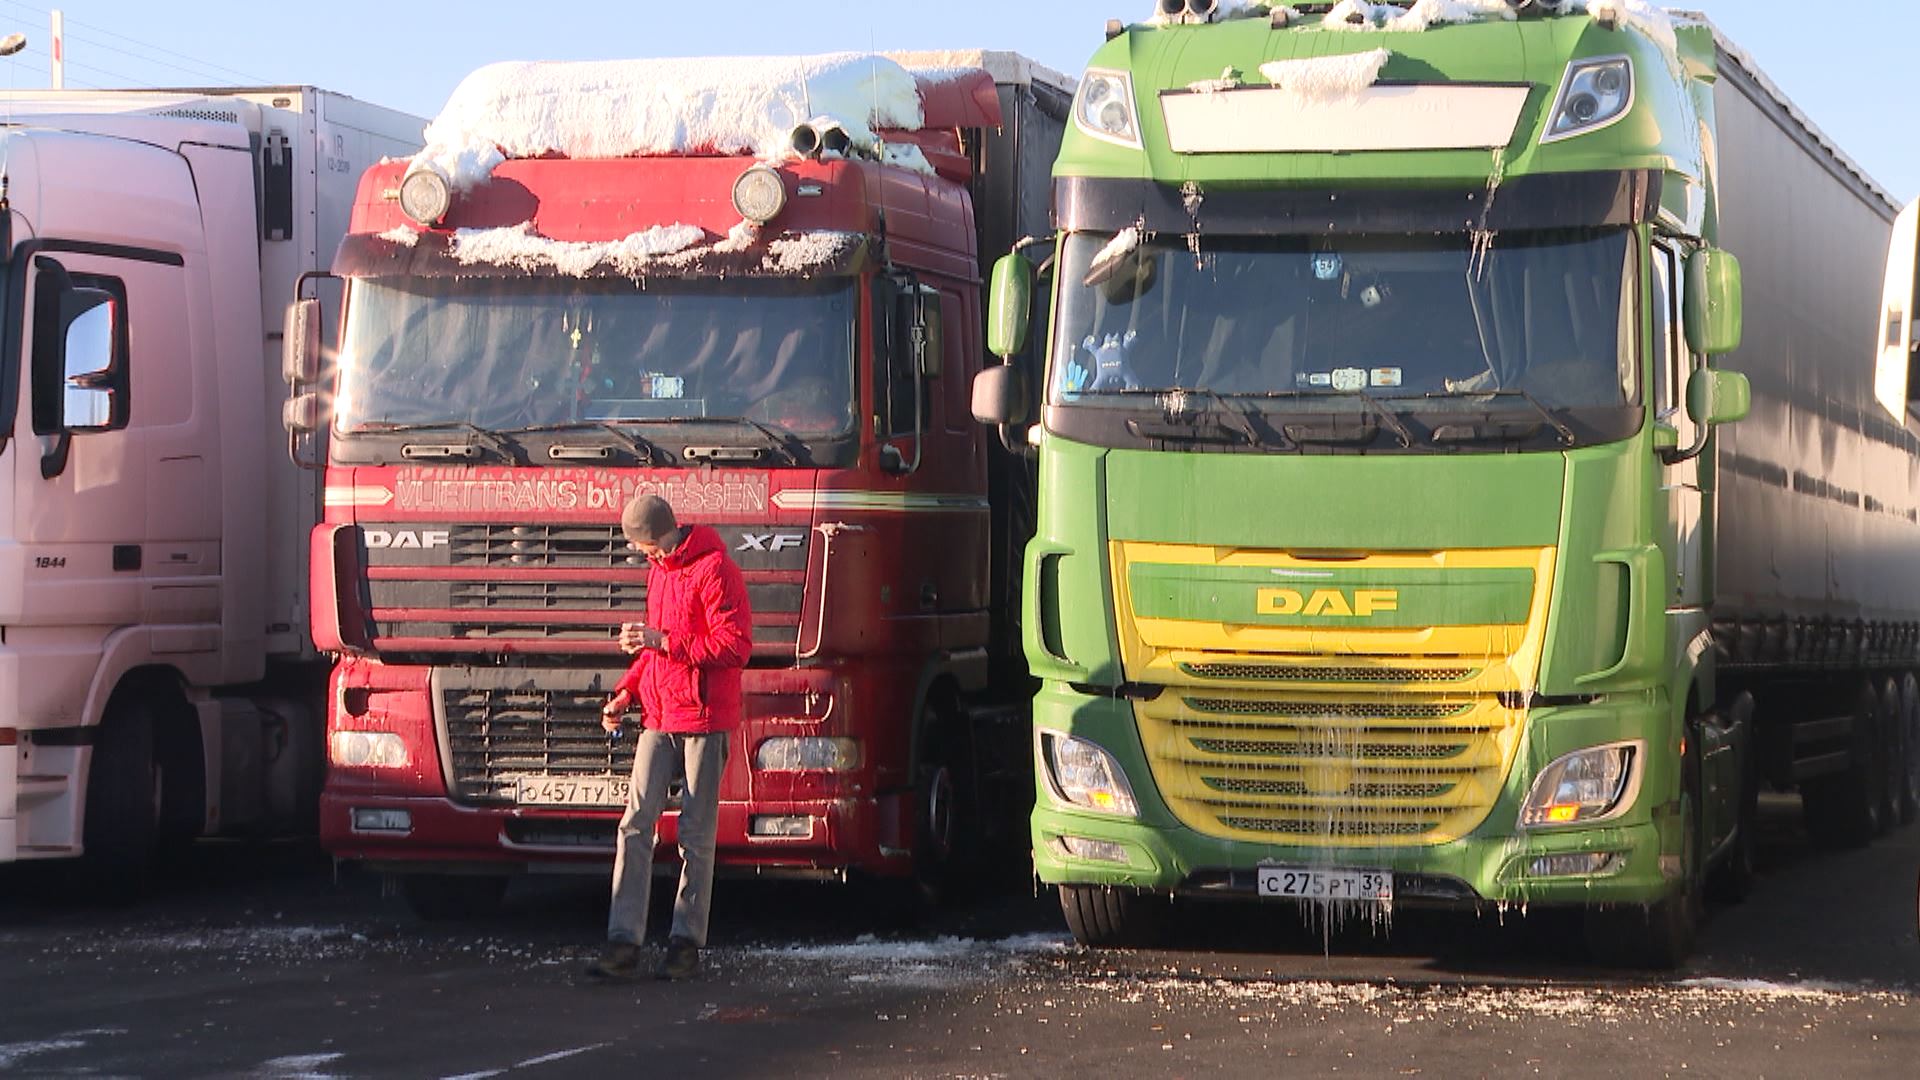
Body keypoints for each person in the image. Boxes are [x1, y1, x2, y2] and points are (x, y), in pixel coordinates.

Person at [585, 494, 753, 981]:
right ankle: (623, 941)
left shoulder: (715, 569)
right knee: (635, 825)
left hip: (703, 719)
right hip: (659, 716)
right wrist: (626, 691)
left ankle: (685, 943)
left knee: (695, 836)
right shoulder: (660, 571)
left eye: (642, 544)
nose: (641, 554)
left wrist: (662, 641)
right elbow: (656, 651)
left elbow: (736, 646)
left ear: (659, 534)